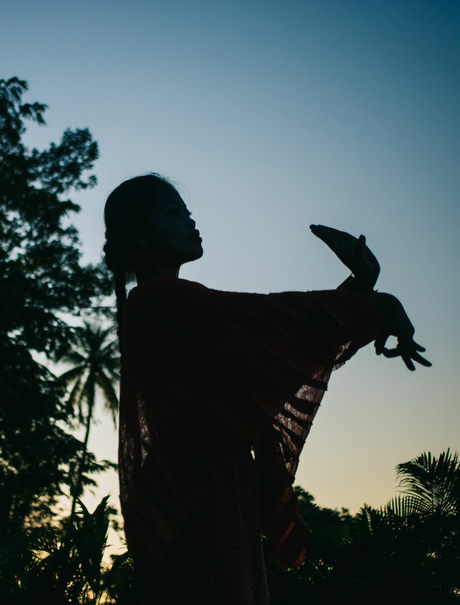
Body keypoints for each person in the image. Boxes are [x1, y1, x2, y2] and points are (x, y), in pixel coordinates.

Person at [103, 174, 430, 604]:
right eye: (172, 212)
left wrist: (362, 287)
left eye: (187, 211)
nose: (189, 220)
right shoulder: (157, 301)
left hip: (220, 488)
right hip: (200, 499)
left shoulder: (172, 309)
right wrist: (378, 302)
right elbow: (275, 323)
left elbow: (274, 344)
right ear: (139, 236)